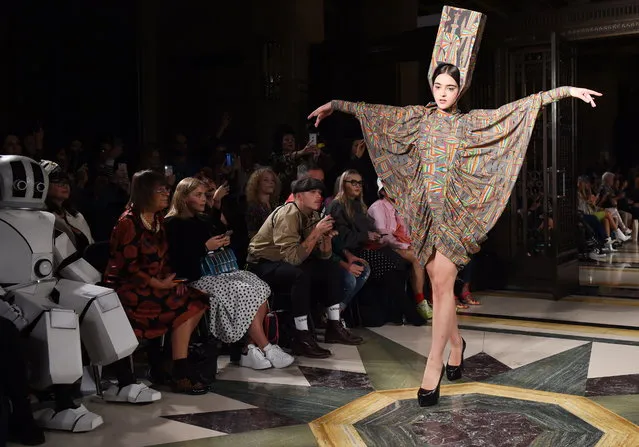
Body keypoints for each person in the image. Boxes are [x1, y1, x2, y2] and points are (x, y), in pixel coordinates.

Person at [308, 6, 601, 407]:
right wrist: (336, 104)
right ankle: (458, 342)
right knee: (438, 285)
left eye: (449, 87)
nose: (442, 93)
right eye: (438, 85)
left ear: (459, 90)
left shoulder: (468, 123)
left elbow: (512, 112)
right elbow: (376, 113)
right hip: (425, 214)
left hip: (457, 213)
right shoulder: (417, 119)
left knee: (443, 282)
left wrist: (562, 92)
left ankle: (434, 365)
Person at [165, 178, 294, 370]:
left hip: (219, 270)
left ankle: (249, 348)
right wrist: (205, 247)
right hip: (197, 276)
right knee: (244, 290)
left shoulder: (202, 218)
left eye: (205, 195)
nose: (203, 199)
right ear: (183, 198)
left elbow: (217, 230)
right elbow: (176, 257)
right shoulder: (172, 223)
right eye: (198, 195)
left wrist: (222, 241)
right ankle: (265, 346)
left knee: (259, 286)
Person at [104, 170, 210, 394]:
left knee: (196, 300)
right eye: (160, 190)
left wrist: (175, 278)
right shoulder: (128, 222)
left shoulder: (158, 220)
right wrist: (157, 284)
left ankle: (174, 363)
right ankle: (177, 368)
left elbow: (166, 257)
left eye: (167, 190)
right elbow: (128, 266)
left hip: (156, 282)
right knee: (182, 305)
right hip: (129, 287)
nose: (166, 194)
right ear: (144, 193)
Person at [247, 177, 363, 358]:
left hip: (285, 262)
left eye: (320, 192)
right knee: (299, 274)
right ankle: (301, 336)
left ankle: (333, 325)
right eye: (313, 192)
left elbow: (323, 256)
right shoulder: (289, 213)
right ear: (298, 196)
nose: (319, 196)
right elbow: (293, 259)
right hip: (262, 264)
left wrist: (325, 239)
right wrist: (316, 232)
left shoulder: (313, 215)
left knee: (331, 268)